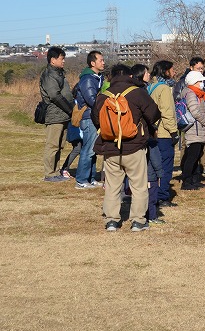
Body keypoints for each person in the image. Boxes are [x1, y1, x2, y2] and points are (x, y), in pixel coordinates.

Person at [92, 63, 160, 232]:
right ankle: (138, 221)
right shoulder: (137, 93)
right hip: (135, 147)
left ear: (111, 77)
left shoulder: (103, 95)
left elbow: (96, 119)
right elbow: (154, 114)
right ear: (130, 76)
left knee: (112, 186)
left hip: (110, 147)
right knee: (138, 186)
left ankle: (111, 221)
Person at [131, 64, 164, 224]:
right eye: (146, 73)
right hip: (144, 136)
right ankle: (148, 214)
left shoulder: (128, 91)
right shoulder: (141, 91)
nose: (149, 75)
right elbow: (152, 112)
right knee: (148, 176)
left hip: (132, 138)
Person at [39, 46, 76, 182]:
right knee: (52, 145)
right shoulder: (49, 75)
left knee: (60, 145)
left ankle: (56, 171)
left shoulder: (59, 73)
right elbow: (54, 95)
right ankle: (49, 174)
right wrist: (70, 109)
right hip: (54, 115)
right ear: (53, 60)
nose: (64, 61)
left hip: (63, 115)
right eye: (62, 58)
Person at [148, 60, 178, 207]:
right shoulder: (164, 89)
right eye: (172, 70)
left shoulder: (151, 85)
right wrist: (173, 132)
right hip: (164, 133)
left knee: (154, 166)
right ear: (166, 71)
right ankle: (162, 196)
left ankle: (154, 194)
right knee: (165, 165)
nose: (174, 73)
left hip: (153, 132)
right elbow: (167, 112)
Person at [73, 50, 105, 188]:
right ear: (93, 63)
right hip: (88, 116)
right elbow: (92, 100)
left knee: (93, 148)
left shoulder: (97, 77)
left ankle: (91, 178)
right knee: (88, 149)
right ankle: (81, 180)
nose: (103, 62)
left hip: (94, 116)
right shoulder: (88, 79)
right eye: (100, 60)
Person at [179, 70, 205, 191]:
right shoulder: (191, 93)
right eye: (200, 81)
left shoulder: (198, 94)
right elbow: (195, 112)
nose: (202, 83)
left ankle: (194, 179)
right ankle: (187, 181)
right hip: (194, 130)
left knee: (197, 155)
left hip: (199, 129)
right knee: (192, 156)